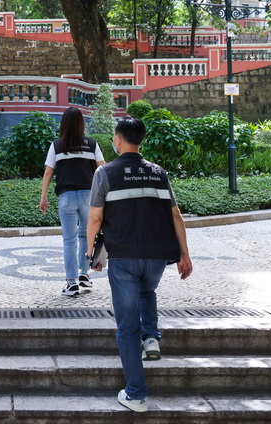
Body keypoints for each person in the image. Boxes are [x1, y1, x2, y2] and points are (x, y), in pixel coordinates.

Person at [86, 116, 193, 412]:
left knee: (126, 328)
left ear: (118, 139)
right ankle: (152, 337)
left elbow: (95, 218)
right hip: (157, 256)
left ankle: (136, 394)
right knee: (147, 292)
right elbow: (175, 215)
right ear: (141, 140)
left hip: (123, 257)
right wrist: (185, 255)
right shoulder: (158, 173)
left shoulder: (105, 172)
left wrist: (90, 254)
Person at [39, 107, 104, 296]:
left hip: (66, 196)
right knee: (86, 236)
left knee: (69, 240)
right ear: (82, 123)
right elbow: (103, 168)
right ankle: (84, 273)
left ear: (64, 123)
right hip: (88, 197)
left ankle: (71, 282)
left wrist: (43, 197)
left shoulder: (57, 145)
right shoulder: (91, 144)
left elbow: (48, 171)